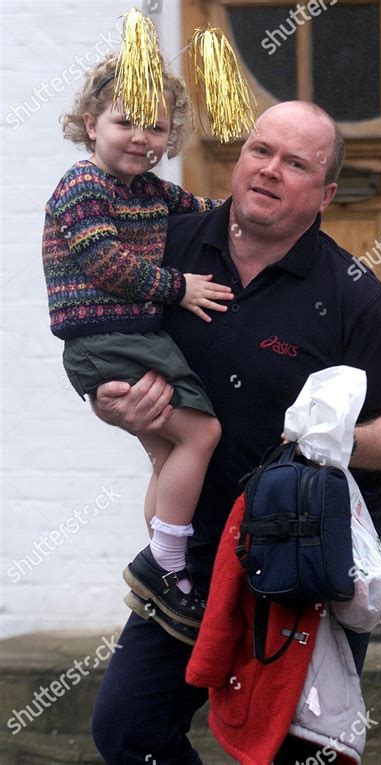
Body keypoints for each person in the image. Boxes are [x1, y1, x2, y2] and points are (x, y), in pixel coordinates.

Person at [90, 101, 381, 764]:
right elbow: (104, 351)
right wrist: (115, 404)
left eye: (296, 163)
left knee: (294, 753)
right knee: (128, 728)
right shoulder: (171, 247)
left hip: (305, 558)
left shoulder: (352, 293)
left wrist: (341, 441)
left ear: (326, 194)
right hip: (189, 556)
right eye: (261, 151)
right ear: (240, 157)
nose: (271, 170)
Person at [42, 53, 235, 631]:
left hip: (130, 339)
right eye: (125, 121)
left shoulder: (152, 190)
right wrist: (179, 288)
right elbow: (106, 262)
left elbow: (208, 215)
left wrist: (248, 216)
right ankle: (166, 563)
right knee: (202, 432)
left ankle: (168, 580)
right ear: (91, 121)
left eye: (155, 125)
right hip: (105, 338)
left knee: (168, 452)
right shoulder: (82, 185)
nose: (140, 136)